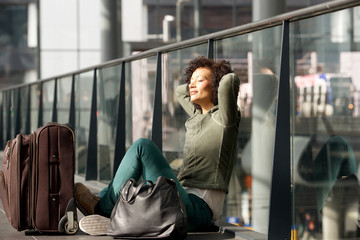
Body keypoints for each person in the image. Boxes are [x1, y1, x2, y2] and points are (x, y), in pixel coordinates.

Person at [75, 56, 241, 235]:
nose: (191, 85)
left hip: (198, 209)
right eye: (190, 81)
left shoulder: (225, 119)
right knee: (141, 151)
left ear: (215, 85)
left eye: (200, 80)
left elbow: (229, 81)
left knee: (143, 147)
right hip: (181, 200)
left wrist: (218, 72)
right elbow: (180, 91)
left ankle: (103, 208)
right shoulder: (197, 117)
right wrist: (197, 81)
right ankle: (105, 202)